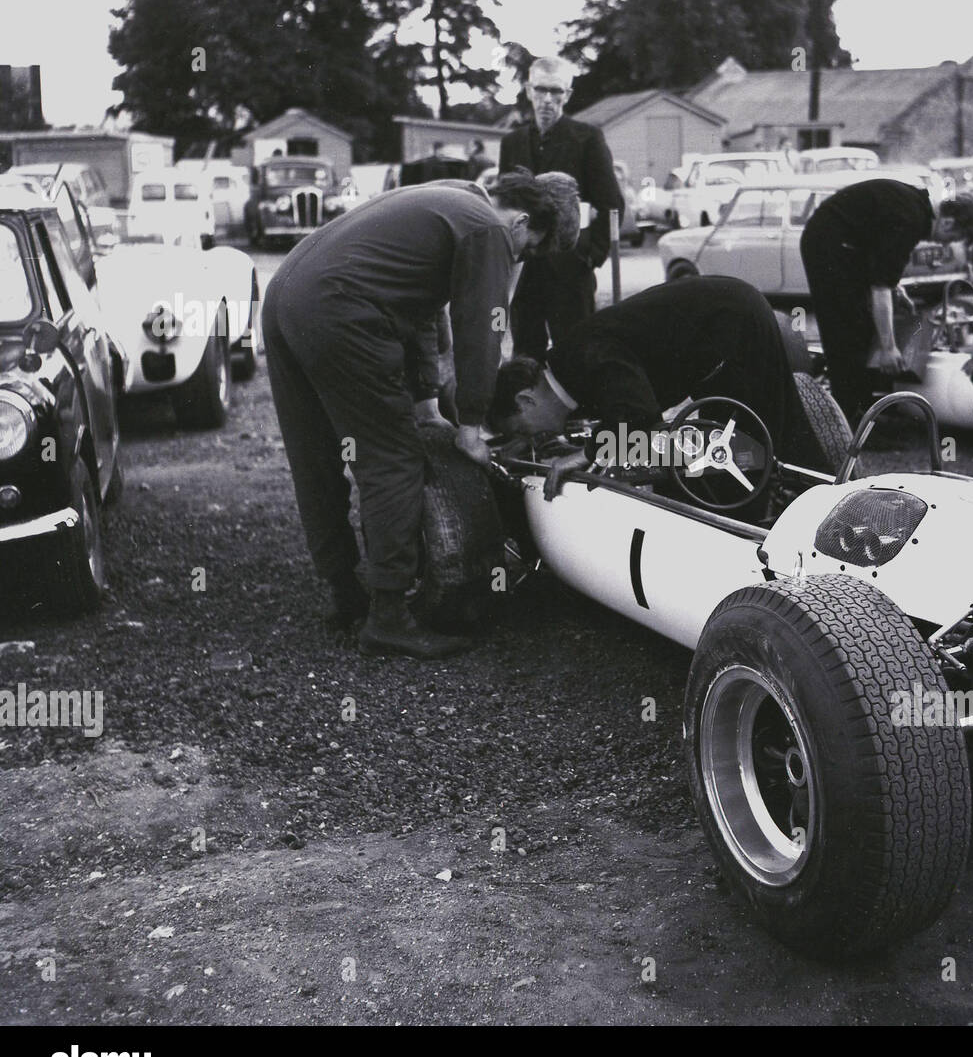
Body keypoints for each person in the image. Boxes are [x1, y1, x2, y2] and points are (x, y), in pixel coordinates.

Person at [262, 172, 565, 660]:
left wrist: (426, 401)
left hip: (286, 295)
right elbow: (480, 330)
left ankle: (344, 592)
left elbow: (423, 310)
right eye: (527, 249)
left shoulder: (445, 199)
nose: (518, 260)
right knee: (393, 459)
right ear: (522, 221)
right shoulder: (488, 228)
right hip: (339, 307)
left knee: (314, 454)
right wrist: (471, 427)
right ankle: (388, 616)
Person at [488, 276, 827, 510]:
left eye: (521, 430)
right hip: (724, 321)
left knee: (757, 445)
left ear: (525, 400)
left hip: (732, 324)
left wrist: (588, 453)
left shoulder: (581, 359)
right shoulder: (567, 364)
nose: (530, 438)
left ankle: (823, 513)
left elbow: (640, 415)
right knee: (756, 445)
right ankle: (817, 503)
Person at [799, 179, 973, 420]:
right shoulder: (910, 220)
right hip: (827, 244)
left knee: (862, 325)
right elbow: (880, 287)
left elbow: (882, 261)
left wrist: (896, 289)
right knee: (846, 330)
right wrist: (888, 348)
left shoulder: (917, 207)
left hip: (843, 240)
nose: (945, 243)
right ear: (948, 222)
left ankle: (865, 407)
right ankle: (848, 418)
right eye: (953, 238)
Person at [499, 56, 625, 360]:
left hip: (570, 272)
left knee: (576, 355)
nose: (547, 99)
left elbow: (611, 203)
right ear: (528, 90)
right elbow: (505, 203)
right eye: (541, 89)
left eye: (556, 91)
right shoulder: (512, 142)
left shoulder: (587, 138)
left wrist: (589, 256)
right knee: (525, 354)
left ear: (567, 95)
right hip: (525, 271)